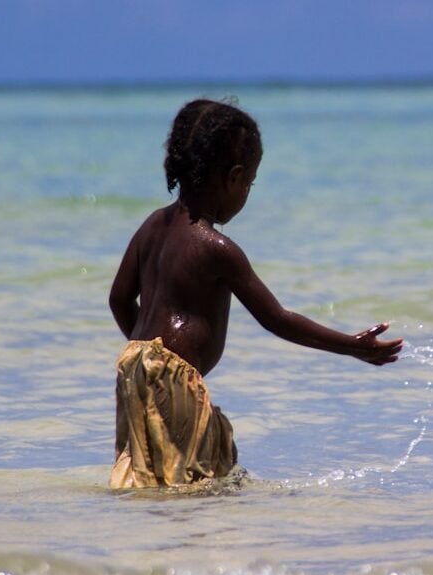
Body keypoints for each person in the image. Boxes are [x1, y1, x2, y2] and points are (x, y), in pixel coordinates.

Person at [107, 98, 404, 489]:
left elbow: (118, 298)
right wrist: (351, 345)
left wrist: (148, 356)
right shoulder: (215, 247)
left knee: (149, 481)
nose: (246, 193)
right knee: (189, 488)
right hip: (174, 378)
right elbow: (277, 319)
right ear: (233, 177)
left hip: (133, 368)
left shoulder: (151, 226)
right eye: (249, 183)